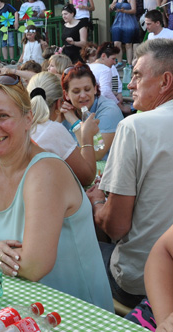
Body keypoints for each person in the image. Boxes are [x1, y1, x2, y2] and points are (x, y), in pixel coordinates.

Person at [0, 74, 113, 311]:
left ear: (28, 118)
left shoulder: (45, 171)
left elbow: (33, 265)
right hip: (22, 306)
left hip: (74, 313)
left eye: (2, 116)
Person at [86, 38, 173, 308]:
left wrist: (97, 202)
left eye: (136, 75)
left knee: (72, 252)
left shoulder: (135, 126)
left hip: (141, 282)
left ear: (165, 81)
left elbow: (116, 227)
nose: (130, 84)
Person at [27, 72, 98, 186]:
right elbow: (87, 177)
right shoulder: (54, 130)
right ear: (59, 103)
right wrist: (87, 136)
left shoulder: (20, 124)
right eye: (76, 91)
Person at [60, 62, 123, 161]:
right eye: (76, 91)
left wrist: (74, 121)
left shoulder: (110, 110)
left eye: (87, 89)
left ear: (95, 89)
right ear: (66, 94)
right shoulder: (63, 110)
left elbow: (96, 154)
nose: (83, 95)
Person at [110, 0, 138, 68]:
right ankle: (119, 62)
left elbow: (134, 10)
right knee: (116, 43)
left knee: (128, 44)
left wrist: (124, 11)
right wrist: (111, 6)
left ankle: (129, 63)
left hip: (128, 22)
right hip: (118, 22)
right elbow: (110, 10)